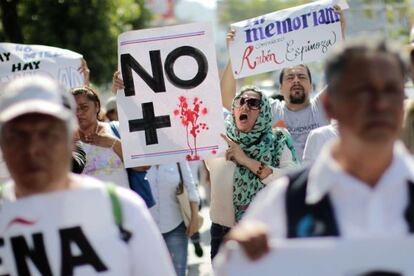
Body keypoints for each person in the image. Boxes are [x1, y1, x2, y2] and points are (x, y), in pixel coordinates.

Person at [220, 38, 412, 262]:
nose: (379, 105)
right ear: (331, 107)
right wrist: (241, 254)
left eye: (391, 91)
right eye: (362, 92)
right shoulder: (283, 203)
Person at [0, 75, 175, 275]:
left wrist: (112, 142)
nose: (33, 149)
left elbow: (142, 165)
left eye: (47, 133)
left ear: (67, 135)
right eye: (17, 136)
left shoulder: (124, 210)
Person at [220, 6, 345, 160]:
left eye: (302, 76)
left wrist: (339, 33)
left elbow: (344, 76)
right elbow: (228, 100)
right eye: (290, 77)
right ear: (280, 88)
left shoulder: (322, 107)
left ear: (311, 86)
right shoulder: (270, 111)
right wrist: (234, 55)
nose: (296, 80)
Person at [207, 86, 298, 259]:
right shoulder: (217, 140)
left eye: (253, 103)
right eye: (241, 101)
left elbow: (289, 179)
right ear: (233, 109)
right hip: (223, 234)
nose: (245, 106)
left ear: (263, 111)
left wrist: (246, 160)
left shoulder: (277, 141)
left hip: (265, 233)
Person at [71, 86, 140, 189]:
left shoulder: (117, 129)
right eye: (74, 109)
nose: (79, 113)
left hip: (120, 204)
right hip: (86, 204)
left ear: (97, 106)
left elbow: (141, 166)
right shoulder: (67, 142)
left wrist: (112, 142)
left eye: (84, 107)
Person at [146, 162, 200, 276]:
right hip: (147, 229)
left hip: (176, 226)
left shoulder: (176, 154)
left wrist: (194, 218)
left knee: (178, 272)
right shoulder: (135, 156)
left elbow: (191, 187)